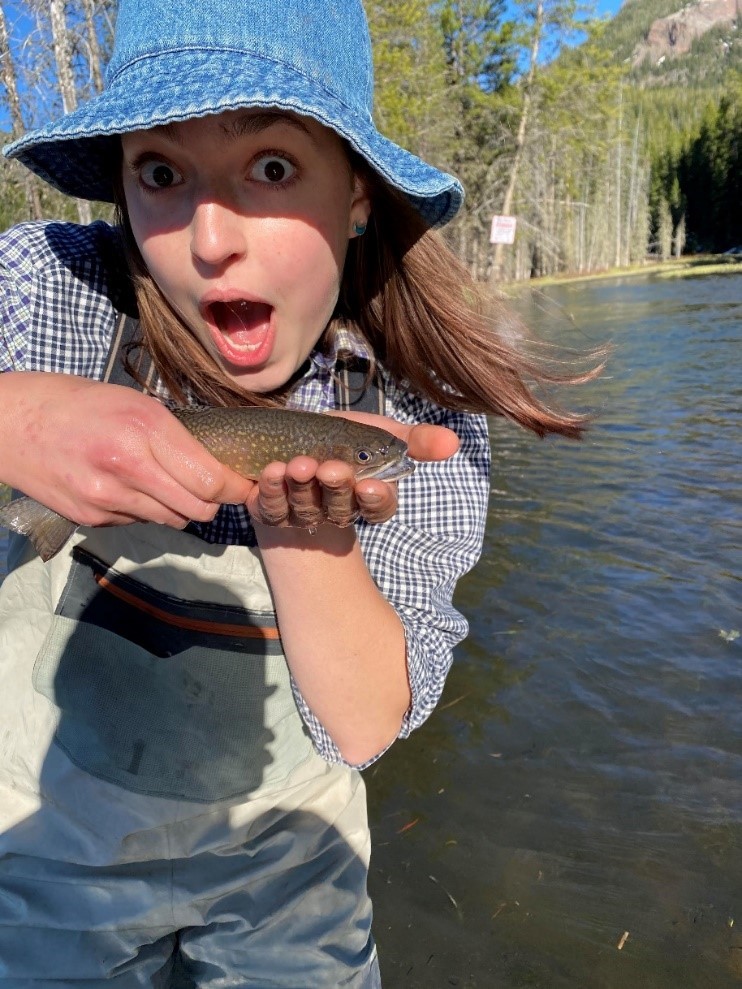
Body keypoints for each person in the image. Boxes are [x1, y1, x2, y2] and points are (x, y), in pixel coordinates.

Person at [0, 0, 593, 985]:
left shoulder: (417, 409)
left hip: (289, 874)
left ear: (356, 193)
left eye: (270, 167)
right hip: (45, 842)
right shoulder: (45, 294)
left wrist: (307, 536)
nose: (211, 236)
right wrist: (15, 416)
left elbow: (361, 725)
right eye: (161, 172)